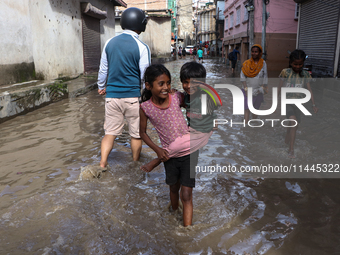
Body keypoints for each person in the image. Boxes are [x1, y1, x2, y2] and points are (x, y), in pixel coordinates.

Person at [97, 7, 151, 168]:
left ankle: (102, 163)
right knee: (136, 135)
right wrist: (144, 94)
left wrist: (101, 86)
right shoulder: (141, 46)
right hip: (133, 98)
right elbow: (145, 75)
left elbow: (103, 69)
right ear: (140, 24)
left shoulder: (109, 43)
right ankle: (135, 165)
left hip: (112, 97)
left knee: (110, 133)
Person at [278, 49, 318, 159]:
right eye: (295, 64)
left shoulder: (305, 74)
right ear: (291, 63)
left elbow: (309, 90)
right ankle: (291, 150)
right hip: (287, 102)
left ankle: (287, 138)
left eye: (300, 64)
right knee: (294, 123)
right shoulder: (285, 72)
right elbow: (280, 88)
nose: (298, 66)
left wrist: (313, 104)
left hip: (299, 104)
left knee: (293, 126)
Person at [240, 44, 268, 124]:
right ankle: (246, 129)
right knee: (247, 109)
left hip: (258, 90)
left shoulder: (263, 64)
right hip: (247, 90)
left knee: (255, 109)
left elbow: (265, 76)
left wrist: (263, 88)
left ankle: (254, 127)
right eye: (252, 52)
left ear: (260, 53)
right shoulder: (246, 63)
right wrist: (245, 89)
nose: (254, 53)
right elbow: (242, 76)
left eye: (256, 52)